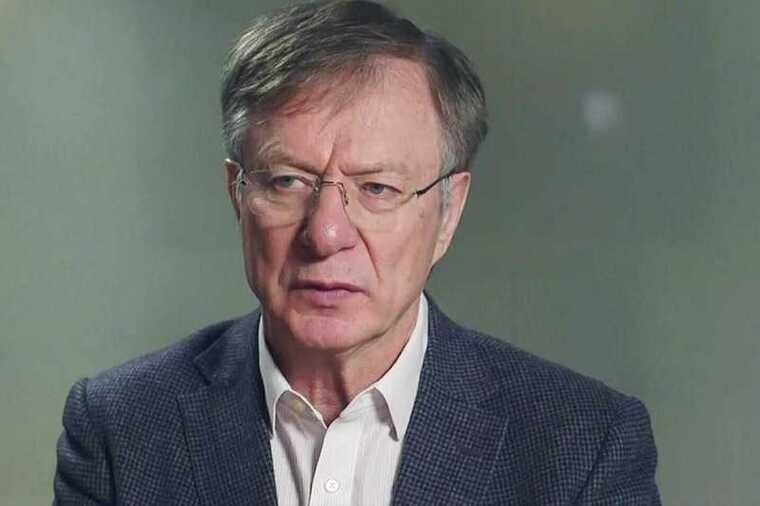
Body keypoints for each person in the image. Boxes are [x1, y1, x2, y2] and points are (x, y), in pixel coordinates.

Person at [54, 1, 660, 504]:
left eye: (377, 189)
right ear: (238, 194)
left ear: (448, 211)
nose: (326, 234)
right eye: (287, 181)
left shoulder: (584, 451)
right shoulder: (120, 430)